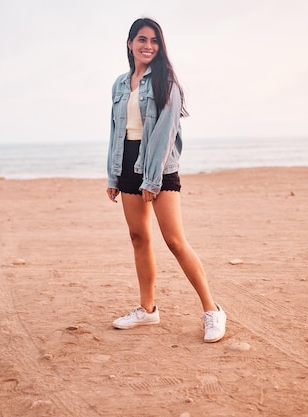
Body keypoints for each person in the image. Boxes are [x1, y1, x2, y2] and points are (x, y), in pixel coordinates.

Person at [106, 17, 226, 343]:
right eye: (142, 39)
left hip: (159, 167)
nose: (148, 46)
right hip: (128, 164)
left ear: (160, 46)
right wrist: (113, 175)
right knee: (138, 238)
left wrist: (151, 180)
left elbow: (164, 132)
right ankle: (147, 310)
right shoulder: (119, 84)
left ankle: (212, 309)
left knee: (174, 240)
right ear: (130, 43)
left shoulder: (166, 82)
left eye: (154, 41)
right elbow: (117, 132)